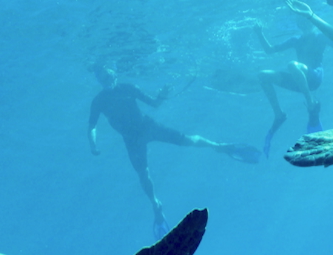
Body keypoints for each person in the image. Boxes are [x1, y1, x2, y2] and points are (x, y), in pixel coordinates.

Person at [88, 65, 259, 239]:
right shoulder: (98, 101)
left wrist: (162, 94)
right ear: (99, 81)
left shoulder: (128, 87)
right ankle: (156, 204)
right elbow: (92, 126)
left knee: (183, 141)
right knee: (143, 173)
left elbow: (155, 103)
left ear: (114, 74)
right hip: (133, 139)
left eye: (109, 76)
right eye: (103, 78)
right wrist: (93, 144)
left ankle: (218, 146)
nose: (108, 80)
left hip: (147, 127)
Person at [256, 24, 333, 156]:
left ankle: (310, 103)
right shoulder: (295, 40)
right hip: (299, 79)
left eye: (304, 20)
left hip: (314, 78)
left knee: (292, 65)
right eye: (299, 20)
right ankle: (279, 114)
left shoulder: (321, 37)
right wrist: (259, 33)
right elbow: (270, 50)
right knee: (263, 75)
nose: (303, 24)